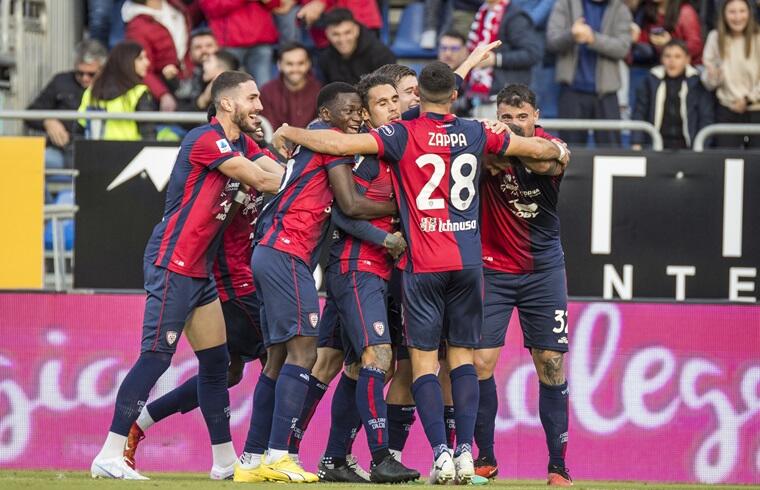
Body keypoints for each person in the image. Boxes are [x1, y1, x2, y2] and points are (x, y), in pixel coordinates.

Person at [271, 61, 568, 485]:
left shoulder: (400, 135)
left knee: (420, 364)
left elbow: (336, 146)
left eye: (401, 98)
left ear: (415, 99)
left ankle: (438, 455)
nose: (394, 106)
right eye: (385, 100)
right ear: (454, 96)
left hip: (419, 263)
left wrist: (289, 131)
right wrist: (558, 150)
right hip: (462, 263)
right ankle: (461, 453)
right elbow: (533, 148)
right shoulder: (474, 131)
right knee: (447, 361)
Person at [89, 70, 285, 480]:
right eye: (252, 98)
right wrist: (291, 170)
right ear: (227, 103)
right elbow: (265, 178)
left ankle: (224, 462)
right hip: (172, 263)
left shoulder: (243, 142)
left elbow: (275, 169)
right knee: (156, 358)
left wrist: (286, 166)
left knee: (216, 364)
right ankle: (109, 452)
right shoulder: (204, 139)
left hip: (200, 272)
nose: (260, 106)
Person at [233, 83, 397, 483]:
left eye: (361, 110)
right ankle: (279, 455)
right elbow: (351, 205)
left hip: (272, 250)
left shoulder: (320, 139)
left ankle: (252, 460)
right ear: (326, 115)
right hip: (286, 250)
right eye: (350, 110)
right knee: (304, 354)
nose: (358, 117)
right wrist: (406, 207)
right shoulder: (331, 143)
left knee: (275, 360)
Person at [123, 159, 269, 475]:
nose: (258, 109)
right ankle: (263, 456)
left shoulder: (250, 164)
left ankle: (139, 424)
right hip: (232, 285)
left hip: (231, 282)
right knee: (279, 360)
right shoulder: (225, 174)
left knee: (226, 372)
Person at [472, 83, 572, 486]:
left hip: (543, 271)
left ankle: (558, 466)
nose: (513, 124)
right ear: (499, 115)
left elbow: (551, 159)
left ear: (536, 116)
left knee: (550, 362)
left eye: (521, 117)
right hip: (491, 269)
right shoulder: (484, 143)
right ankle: (485, 458)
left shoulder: (550, 146)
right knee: (480, 363)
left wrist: (499, 148)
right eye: (506, 118)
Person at [546, 0, 633, 145]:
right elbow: (552, 41)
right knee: (568, 153)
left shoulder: (620, 9)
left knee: (611, 153)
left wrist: (592, 39)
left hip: (606, 93)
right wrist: (572, 35)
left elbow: (623, 48)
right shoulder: (565, 4)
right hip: (572, 90)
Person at [25, 39, 107, 170]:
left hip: (98, 152)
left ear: (102, 70)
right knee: (31, 164)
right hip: (61, 151)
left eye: (91, 74)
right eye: (80, 73)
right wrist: (47, 121)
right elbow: (30, 113)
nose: (85, 78)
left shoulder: (110, 87)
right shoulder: (61, 81)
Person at [632, 40, 713, 149]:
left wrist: (701, 146)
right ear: (661, 59)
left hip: (690, 148)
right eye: (667, 56)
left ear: (687, 59)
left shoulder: (697, 82)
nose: (672, 61)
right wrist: (637, 142)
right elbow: (639, 113)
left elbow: (706, 117)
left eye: (677, 56)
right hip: (656, 147)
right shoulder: (650, 81)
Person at [701, 0, 760, 148]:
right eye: (732, 12)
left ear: (749, 13)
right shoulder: (714, 37)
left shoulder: (758, 37)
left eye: (742, 11)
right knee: (729, 163)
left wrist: (748, 99)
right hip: (726, 110)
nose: (737, 17)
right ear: (724, 15)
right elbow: (709, 83)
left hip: (755, 110)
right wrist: (714, 75)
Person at [122, 0, 198, 112]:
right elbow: (142, 69)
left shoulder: (175, 6)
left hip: (191, 81)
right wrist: (163, 94)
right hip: (168, 91)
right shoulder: (137, 26)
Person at [466, 0, 542, 107]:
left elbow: (532, 53)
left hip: (508, 97)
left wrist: (496, 59)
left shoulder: (515, 16)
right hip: (479, 94)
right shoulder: (481, 12)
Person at [77, 41, 156, 141]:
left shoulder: (91, 91)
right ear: (127, 61)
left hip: (95, 153)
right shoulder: (139, 92)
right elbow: (148, 135)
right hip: (131, 153)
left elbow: (78, 130)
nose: (147, 62)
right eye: (140, 58)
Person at [198, 0, 279, 86]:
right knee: (229, 88)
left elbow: (275, 4)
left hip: (260, 39)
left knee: (264, 88)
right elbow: (210, 8)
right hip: (230, 43)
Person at [318, 9, 397, 85]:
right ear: (327, 34)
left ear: (356, 30)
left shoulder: (381, 54)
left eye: (347, 32)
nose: (342, 39)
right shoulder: (325, 58)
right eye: (336, 34)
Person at [260, 42, 323, 130]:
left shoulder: (320, 91)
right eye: (289, 64)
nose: (295, 69)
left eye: (300, 63)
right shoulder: (267, 91)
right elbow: (268, 129)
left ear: (308, 64)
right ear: (279, 65)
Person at [631, 0, 703, 67]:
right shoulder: (649, 9)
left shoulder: (685, 12)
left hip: (686, 67)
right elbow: (646, 36)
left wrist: (670, 43)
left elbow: (695, 46)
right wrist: (638, 36)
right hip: (659, 63)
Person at [176, 28, 219, 112]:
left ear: (218, 48)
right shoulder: (185, 80)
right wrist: (204, 99)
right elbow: (181, 115)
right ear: (190, 53)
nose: (204, 50)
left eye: (209, 46)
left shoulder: (233, 74)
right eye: (198, 47)